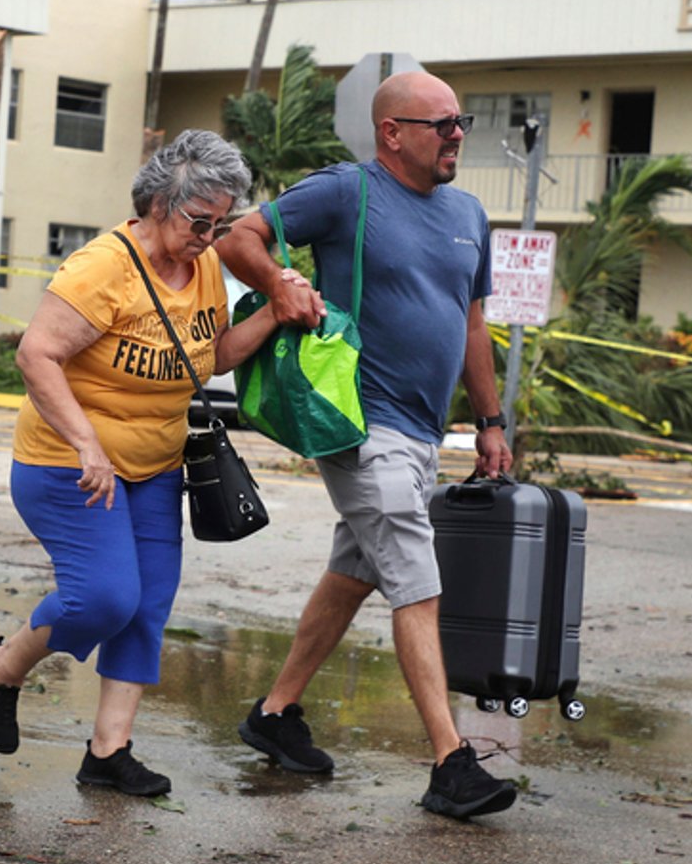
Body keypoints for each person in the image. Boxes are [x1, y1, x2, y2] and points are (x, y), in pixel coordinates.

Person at [216, 71, 520, 820]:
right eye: (441, 123)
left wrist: (489, 421)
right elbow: (238, 235)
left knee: (355, 568)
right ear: (392, 133)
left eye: (461, 123)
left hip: (421, 433)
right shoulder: (347, 192)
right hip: (357, 421)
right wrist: (283, 282)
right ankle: (451, 762)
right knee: (416, 576)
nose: (456, 135)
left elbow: (472, 323)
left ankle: (276, 713)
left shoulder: (468, 214)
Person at [0, 129, 291, 797]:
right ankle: (1, 667)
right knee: (105, 598)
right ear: (156, 205)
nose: (209, 238)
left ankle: (109, 753)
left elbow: (213, 354)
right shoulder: (101, 269)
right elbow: (36, 355)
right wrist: (88, 442)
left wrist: (279, 314)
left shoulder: (201, 267)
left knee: (146, 607)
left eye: (220, 224)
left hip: (156, 467)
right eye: (199, 222)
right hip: (68, 463)